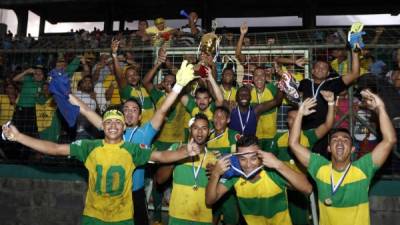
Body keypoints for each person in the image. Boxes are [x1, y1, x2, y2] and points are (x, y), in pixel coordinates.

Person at [2, 108, 201, 225]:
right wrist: (18, 137)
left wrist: (185, 151)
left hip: (122, 217)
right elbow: (54, 148)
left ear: (124, 127)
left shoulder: (132, 149)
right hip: (93, 216)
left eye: (117, 122)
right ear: (103, 127)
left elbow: (160, 155)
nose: (113, 125)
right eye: (108, 122)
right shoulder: (89, 147)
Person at [69, 58, 197, 225]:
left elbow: (163, 109)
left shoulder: (145, 133)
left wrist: (178, 87)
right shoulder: (111, 129)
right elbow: (85, 109)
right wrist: (65, 92)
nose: (129, 113)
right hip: (108, 196)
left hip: (134, 193)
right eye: (126, 110)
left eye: (134, 110)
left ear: (140, 116)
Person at [288, 90, 397, 225]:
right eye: (334, 140)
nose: (339, 142)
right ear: (329, 148)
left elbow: (389, 140)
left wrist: (381, 108)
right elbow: (293, 144)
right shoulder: (319, 167)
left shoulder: (363, 168)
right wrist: (299, 114)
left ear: (352, 149)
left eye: (345, 140)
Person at [206, 135, 312, 225]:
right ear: (237, 159)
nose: (248, 165)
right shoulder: (236, 176)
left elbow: (307, 188)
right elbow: (210, 200)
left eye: (253, 158)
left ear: (261, 156)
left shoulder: (273, 172)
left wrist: (279, 164)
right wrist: (216, 174)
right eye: (243, 159)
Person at [271, 90, 335, 225]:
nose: (294, 121)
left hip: (300, 186)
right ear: (287, 120)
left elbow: (328, 125)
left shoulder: (309, 136)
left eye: (297, 117)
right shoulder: (277, 139)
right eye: (291, 118)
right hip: (282, 186)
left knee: (300, 220)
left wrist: (331, 103)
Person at [155, 113, 218, 225]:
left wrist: (216, 174)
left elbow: (216, 193)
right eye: (195, 128)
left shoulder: (213, 159)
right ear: (190, 130)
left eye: (204, 128)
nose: (199, 132)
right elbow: (159, 179)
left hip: (203, 217)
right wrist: (176, 157)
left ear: (209, 132)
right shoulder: (176, 149)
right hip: (177, 216)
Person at [298, 48, 360, 156]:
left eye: (324, 68)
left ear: (327, 73)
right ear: (312, 71)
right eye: (318, 67)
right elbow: (290, 90)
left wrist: (355, 51)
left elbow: (354, 74)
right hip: (303, 130)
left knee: (321, 161)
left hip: (323, 131)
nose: (321, 69)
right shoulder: (304, 83)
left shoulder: (332, 84)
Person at [207, 106, 240, 225]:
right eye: (216, 116)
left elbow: (239, 159)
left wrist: (218, 165)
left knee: (231, 218)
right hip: (210, 181)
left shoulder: (234, 136)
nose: (218, 119)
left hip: (228, 184)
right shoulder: (207, 135)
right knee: (210, 217)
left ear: (228, 120)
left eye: (222, 117)